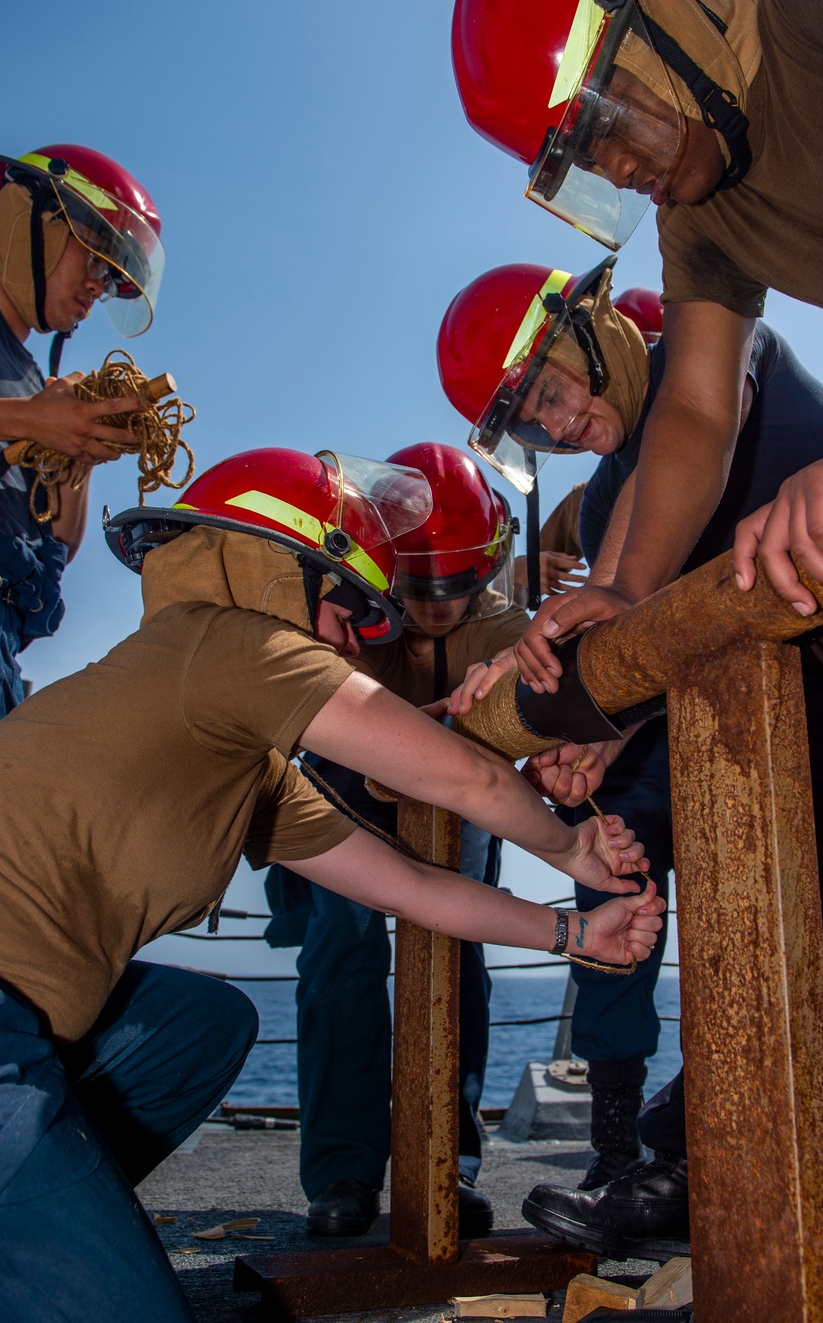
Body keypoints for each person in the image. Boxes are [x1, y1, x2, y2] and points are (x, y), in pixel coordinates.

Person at [453, 0, 823, 1312]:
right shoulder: (703, 225)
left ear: (656, 15)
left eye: (605, 124)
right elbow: (693, 409)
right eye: (590, 165)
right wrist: (615, 606)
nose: (621, 172)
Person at [0, 443, 662, 1322]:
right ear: (278, 572)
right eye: (347, 609)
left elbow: (408, 890)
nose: (357, 639)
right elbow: (465, 782)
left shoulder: (250, 768)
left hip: (26, 1022)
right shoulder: (232, 642)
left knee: (208, 1021)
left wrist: (574, 935)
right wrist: (575, 852)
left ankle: (45, 1208)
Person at [442, 254, 823, 1274]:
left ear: (594, 331)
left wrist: (619, 592)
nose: (556, 424)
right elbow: (657, 638)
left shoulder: (712, 348)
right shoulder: (601, 516)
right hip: (794, 722)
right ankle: (693, 1173)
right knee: (764, 953)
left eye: (552, 390)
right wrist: (581, 728)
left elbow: (684, 442)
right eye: (532, 422)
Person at [264, 441, 531, 1238]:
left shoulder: (509, 626)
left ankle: (449, 1163)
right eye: (420, 587)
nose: (441, 604)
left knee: (459, 951)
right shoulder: (339, 610)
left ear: (489, 564)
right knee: (339, 952)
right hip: (343, 788)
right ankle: (342, 1175)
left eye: (461, 585)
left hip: (461, 796)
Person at [0, 144, 164, 722]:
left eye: (115, 279)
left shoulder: (34, 380)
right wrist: (27, 420)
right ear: (29, 216)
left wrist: (81, 456)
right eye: (96, 256)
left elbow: (57, 545)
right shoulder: (29, 400)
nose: (100, 285)